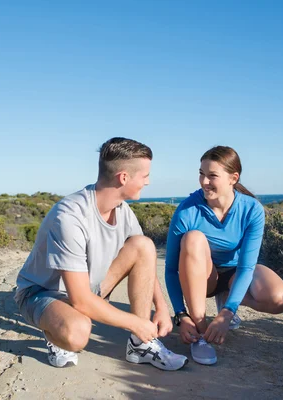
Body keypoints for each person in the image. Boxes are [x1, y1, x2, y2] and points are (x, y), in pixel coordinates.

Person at [15, 137, 188, 370]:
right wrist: (136, 323)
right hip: (42, 293)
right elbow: (81, 300)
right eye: (145, 175)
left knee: (143, 244)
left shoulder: (122, 210)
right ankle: (54, 330)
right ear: (123, 177)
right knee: (76, 332)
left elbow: (143, 260)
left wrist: (162, 307)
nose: (148, 182)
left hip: (87, 288)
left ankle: (140, 346)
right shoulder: (69, 216)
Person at [165, 145, 283, 365]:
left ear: (233, 178)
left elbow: (246, 268)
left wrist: (227, 313)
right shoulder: (187, 210)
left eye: (212, 175)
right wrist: (180, 314)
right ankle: (201, 333)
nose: (204, 181)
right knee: (193, 237)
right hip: (205, 277)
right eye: (201, 174)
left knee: (279, 300)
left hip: (236, 273)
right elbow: (170, 269)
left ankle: (227, 299)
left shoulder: (252, 209)